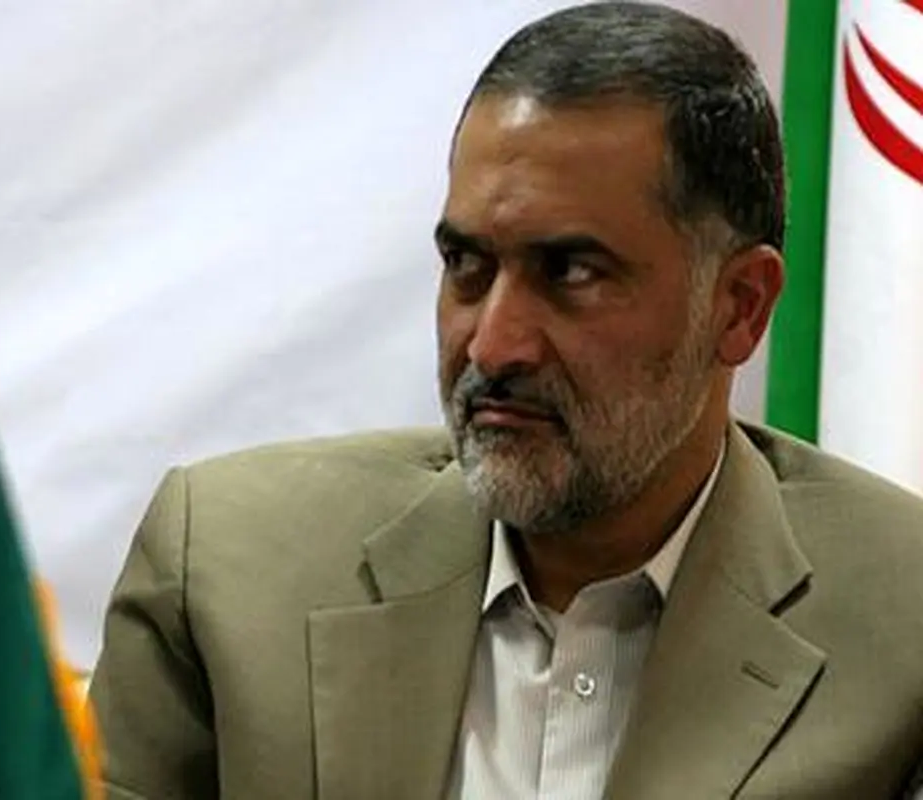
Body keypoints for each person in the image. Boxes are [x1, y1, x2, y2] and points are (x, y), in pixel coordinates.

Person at [88, 3, 923, 798]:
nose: (492, 347)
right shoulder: (226, 575)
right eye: (467, 266)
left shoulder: (903, 629)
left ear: (739, 307)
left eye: (572, 273)